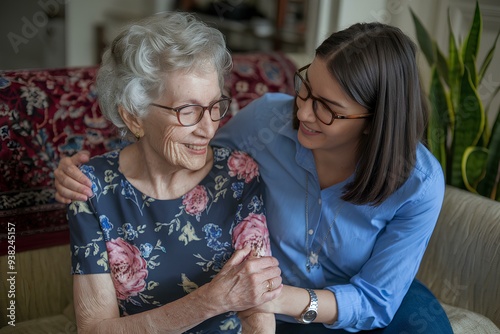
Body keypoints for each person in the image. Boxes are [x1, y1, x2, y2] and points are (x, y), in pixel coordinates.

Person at [55, 21, 453, 333]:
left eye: (328, 108)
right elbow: (175, 144)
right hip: (271, 306)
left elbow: (377, 301)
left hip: (340, 299)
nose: (305, 114)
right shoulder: (268, 122)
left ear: (373, 122)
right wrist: (88, 172)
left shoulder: (418, 183)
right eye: (305, 89)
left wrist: (265, 297)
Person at [62, 12, 283, 334]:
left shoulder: (238, 175)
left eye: (215, 105)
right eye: (188, 111)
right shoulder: (91, 188)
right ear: (134, 117)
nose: (208, 129)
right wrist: (209, 301)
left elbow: (258, 311)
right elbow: (94, 329)